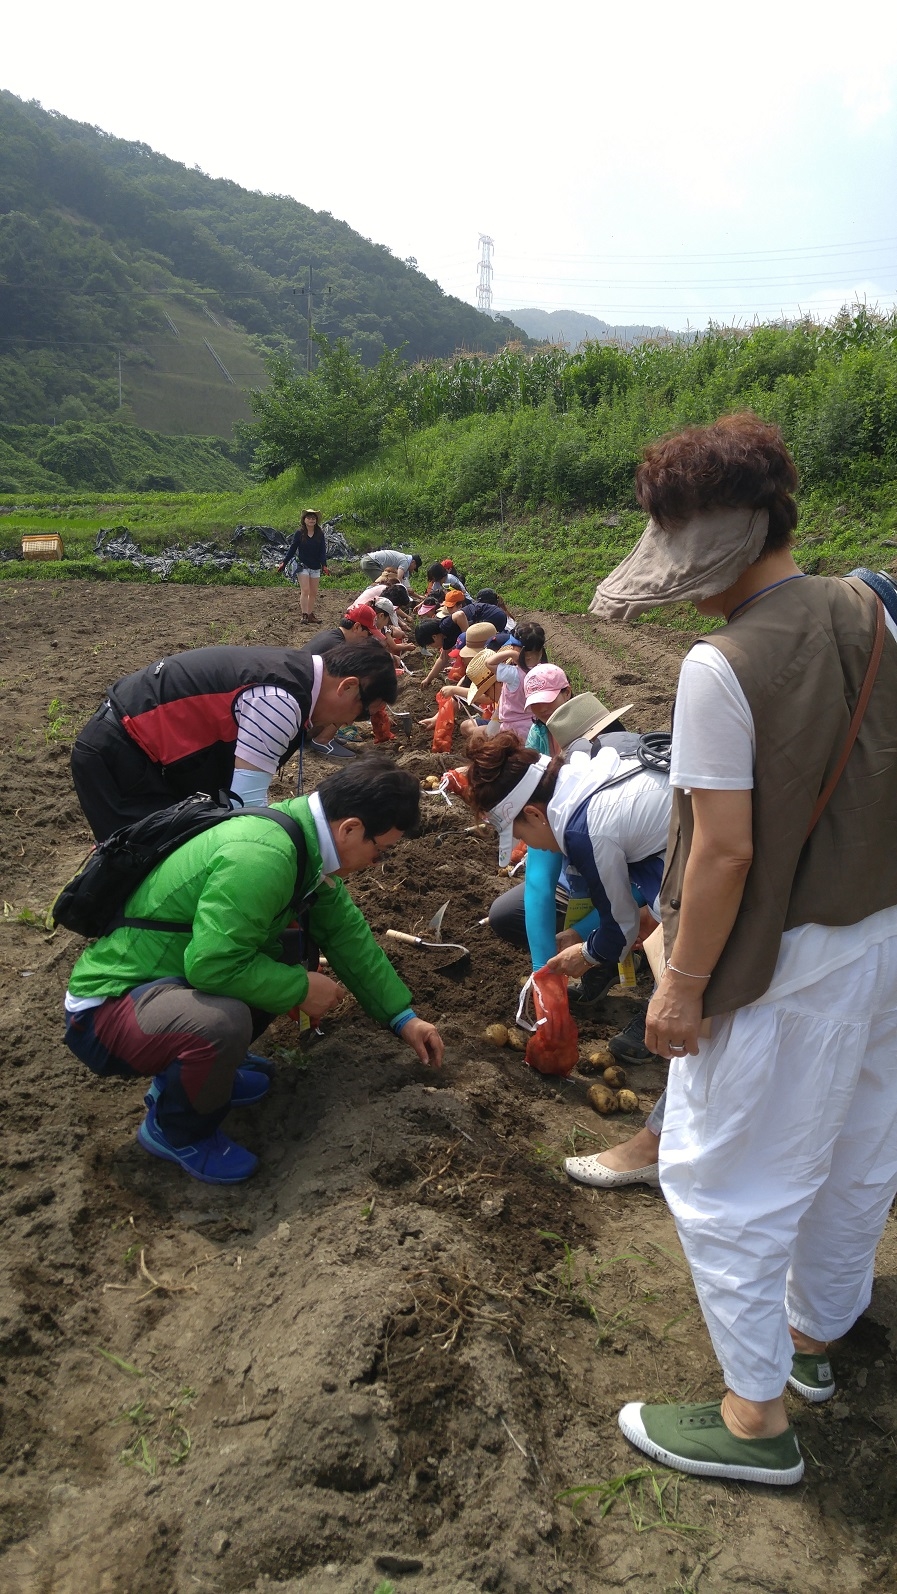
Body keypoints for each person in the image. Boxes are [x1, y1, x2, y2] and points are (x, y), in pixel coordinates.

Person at [586, 411, 897, 1486]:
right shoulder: (872, 607)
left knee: (723, 1176)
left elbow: (721, 854)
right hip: (882, 936)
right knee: (857, 1144)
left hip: (787, 961)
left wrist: (679, 989)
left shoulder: (720, 667)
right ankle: (816, 1341)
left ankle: (755, 1420)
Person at [63, 760, 444, 1184]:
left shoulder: (303, 846)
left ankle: (202, 1075)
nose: (377, 862)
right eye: (381, 849)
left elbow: (347, 937)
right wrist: (300, 988)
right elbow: (213, 965)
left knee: (283, 953)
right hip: (109, 1009)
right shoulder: (265, 856)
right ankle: (176, 1129)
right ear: (350, 829)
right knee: (222, 1023)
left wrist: (402, 1017)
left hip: (162, 987)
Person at [71, 643, 399, 840]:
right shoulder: (280, 701)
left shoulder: (292, 672)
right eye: (361, 713)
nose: (348, 723)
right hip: (120, 754)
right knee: (144, 869)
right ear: (348, 687)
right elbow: (247, 807)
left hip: (140, 752)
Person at [463, 729, 671, 1011]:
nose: (527, 845)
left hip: (710, 845)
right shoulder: (572, 781)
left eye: (521, 835)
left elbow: (620, 928)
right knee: (661, 908)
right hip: (684, 832)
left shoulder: (582, 829)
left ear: (534, 815)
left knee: (672, 920)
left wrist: (586, 955)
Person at [279, 510, 328, 626]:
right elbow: (292, 549)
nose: (311, 520)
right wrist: (284, 562)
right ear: (304, 520)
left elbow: (322, 550)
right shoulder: (299, 533)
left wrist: (324, 565)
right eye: (309, 518)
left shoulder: (320, 534)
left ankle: (310, 614)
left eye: (313, 518)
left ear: (316, 520)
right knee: (305, 590)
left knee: (314, 592)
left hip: (315, 566)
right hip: (303, 565)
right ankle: (304, 615)